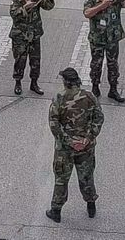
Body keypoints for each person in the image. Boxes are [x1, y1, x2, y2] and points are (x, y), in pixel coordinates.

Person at [46, 66, 104, 223]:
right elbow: (98, 118)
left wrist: (69, 141)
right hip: (86, 147)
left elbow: (54, 124)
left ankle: (56, 211)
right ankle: (91, 205)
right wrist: (87, 138)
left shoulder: (59, 98)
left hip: (65, 149)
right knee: (86, 177)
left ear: (65, 82)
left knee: (61, 179)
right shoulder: (89, 96)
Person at [83, 0, 125, 102]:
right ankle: (95, 87)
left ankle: (113, 89)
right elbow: (87, 13)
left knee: (113, 64)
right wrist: (102, 6)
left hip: (112, 39)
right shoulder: (91, 0)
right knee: (96, 64)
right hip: (97, 40)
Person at [10, 0, 55, 95]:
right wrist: (25, 7)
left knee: (35, 61)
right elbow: (14, 14)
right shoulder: (16, 0)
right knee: (20, 61)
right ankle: (18, 82)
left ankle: (34, 83)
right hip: (20, 36)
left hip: (34, 35)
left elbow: (48, 6)